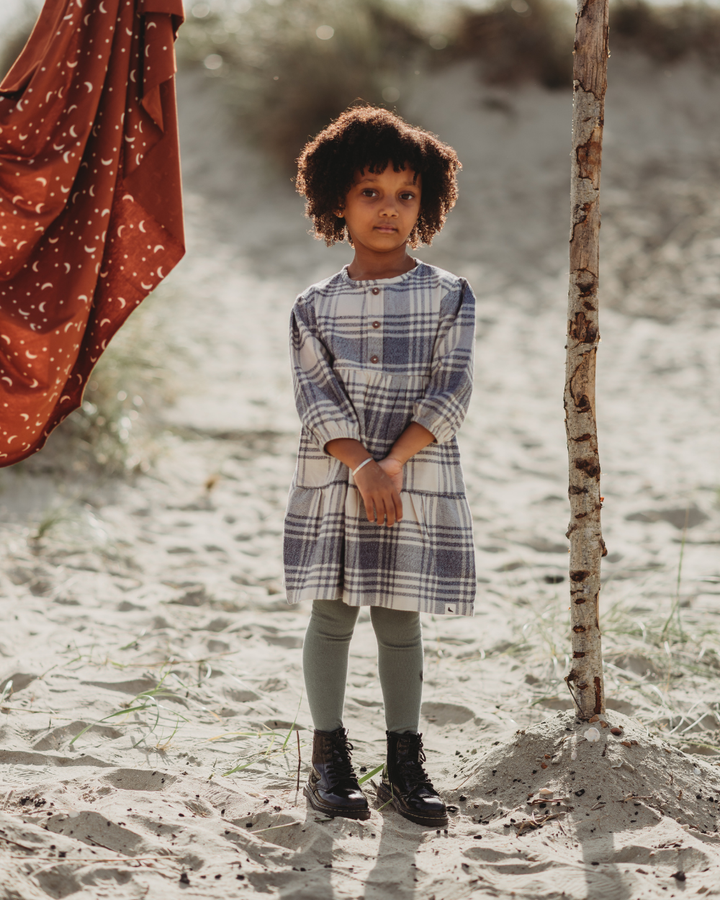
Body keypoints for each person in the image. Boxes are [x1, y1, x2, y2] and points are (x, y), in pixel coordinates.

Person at [283, 107, 476, 827]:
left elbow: (451, 390)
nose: (388, 208)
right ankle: (327, 758)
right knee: (332, 612)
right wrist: (362, 465)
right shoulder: (314, 306)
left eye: (405, 194)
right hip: (337, 482)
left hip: (415, 478)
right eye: (371, 192)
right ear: (338, 199)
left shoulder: (450, 295)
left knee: (400, 616)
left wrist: (392, 463)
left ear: (426, 204)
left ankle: (403, 762)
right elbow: (316, 397)